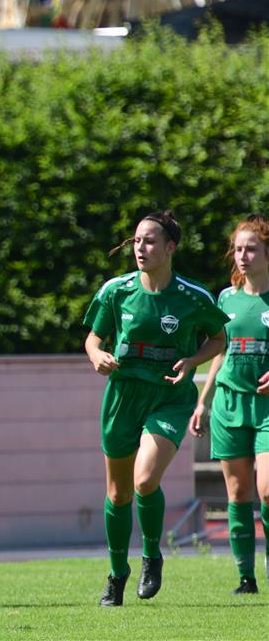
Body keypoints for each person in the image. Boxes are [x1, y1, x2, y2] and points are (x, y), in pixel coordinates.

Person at [83, 210, 228, 607]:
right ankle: (116, 575)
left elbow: (219, 339)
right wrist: (97, 355)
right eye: (136, 241)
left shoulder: (192, 296)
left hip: (168, 396)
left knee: (144, 480)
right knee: (117, 493)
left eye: (149, 241)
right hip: (123, 398)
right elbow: (93, 339)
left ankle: (151, 555)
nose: (140, 248)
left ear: (170, 247)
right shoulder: (116, 290)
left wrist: (192, 360)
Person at [190, 214, 269, 594]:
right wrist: (202, 402)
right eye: (238, 249)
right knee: (237, 494)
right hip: (228, 405)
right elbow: (218, 352)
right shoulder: (226, 298)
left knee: (267, 490)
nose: (243, 256)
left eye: (251, 248)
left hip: (267, 409)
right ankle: (245, 577)